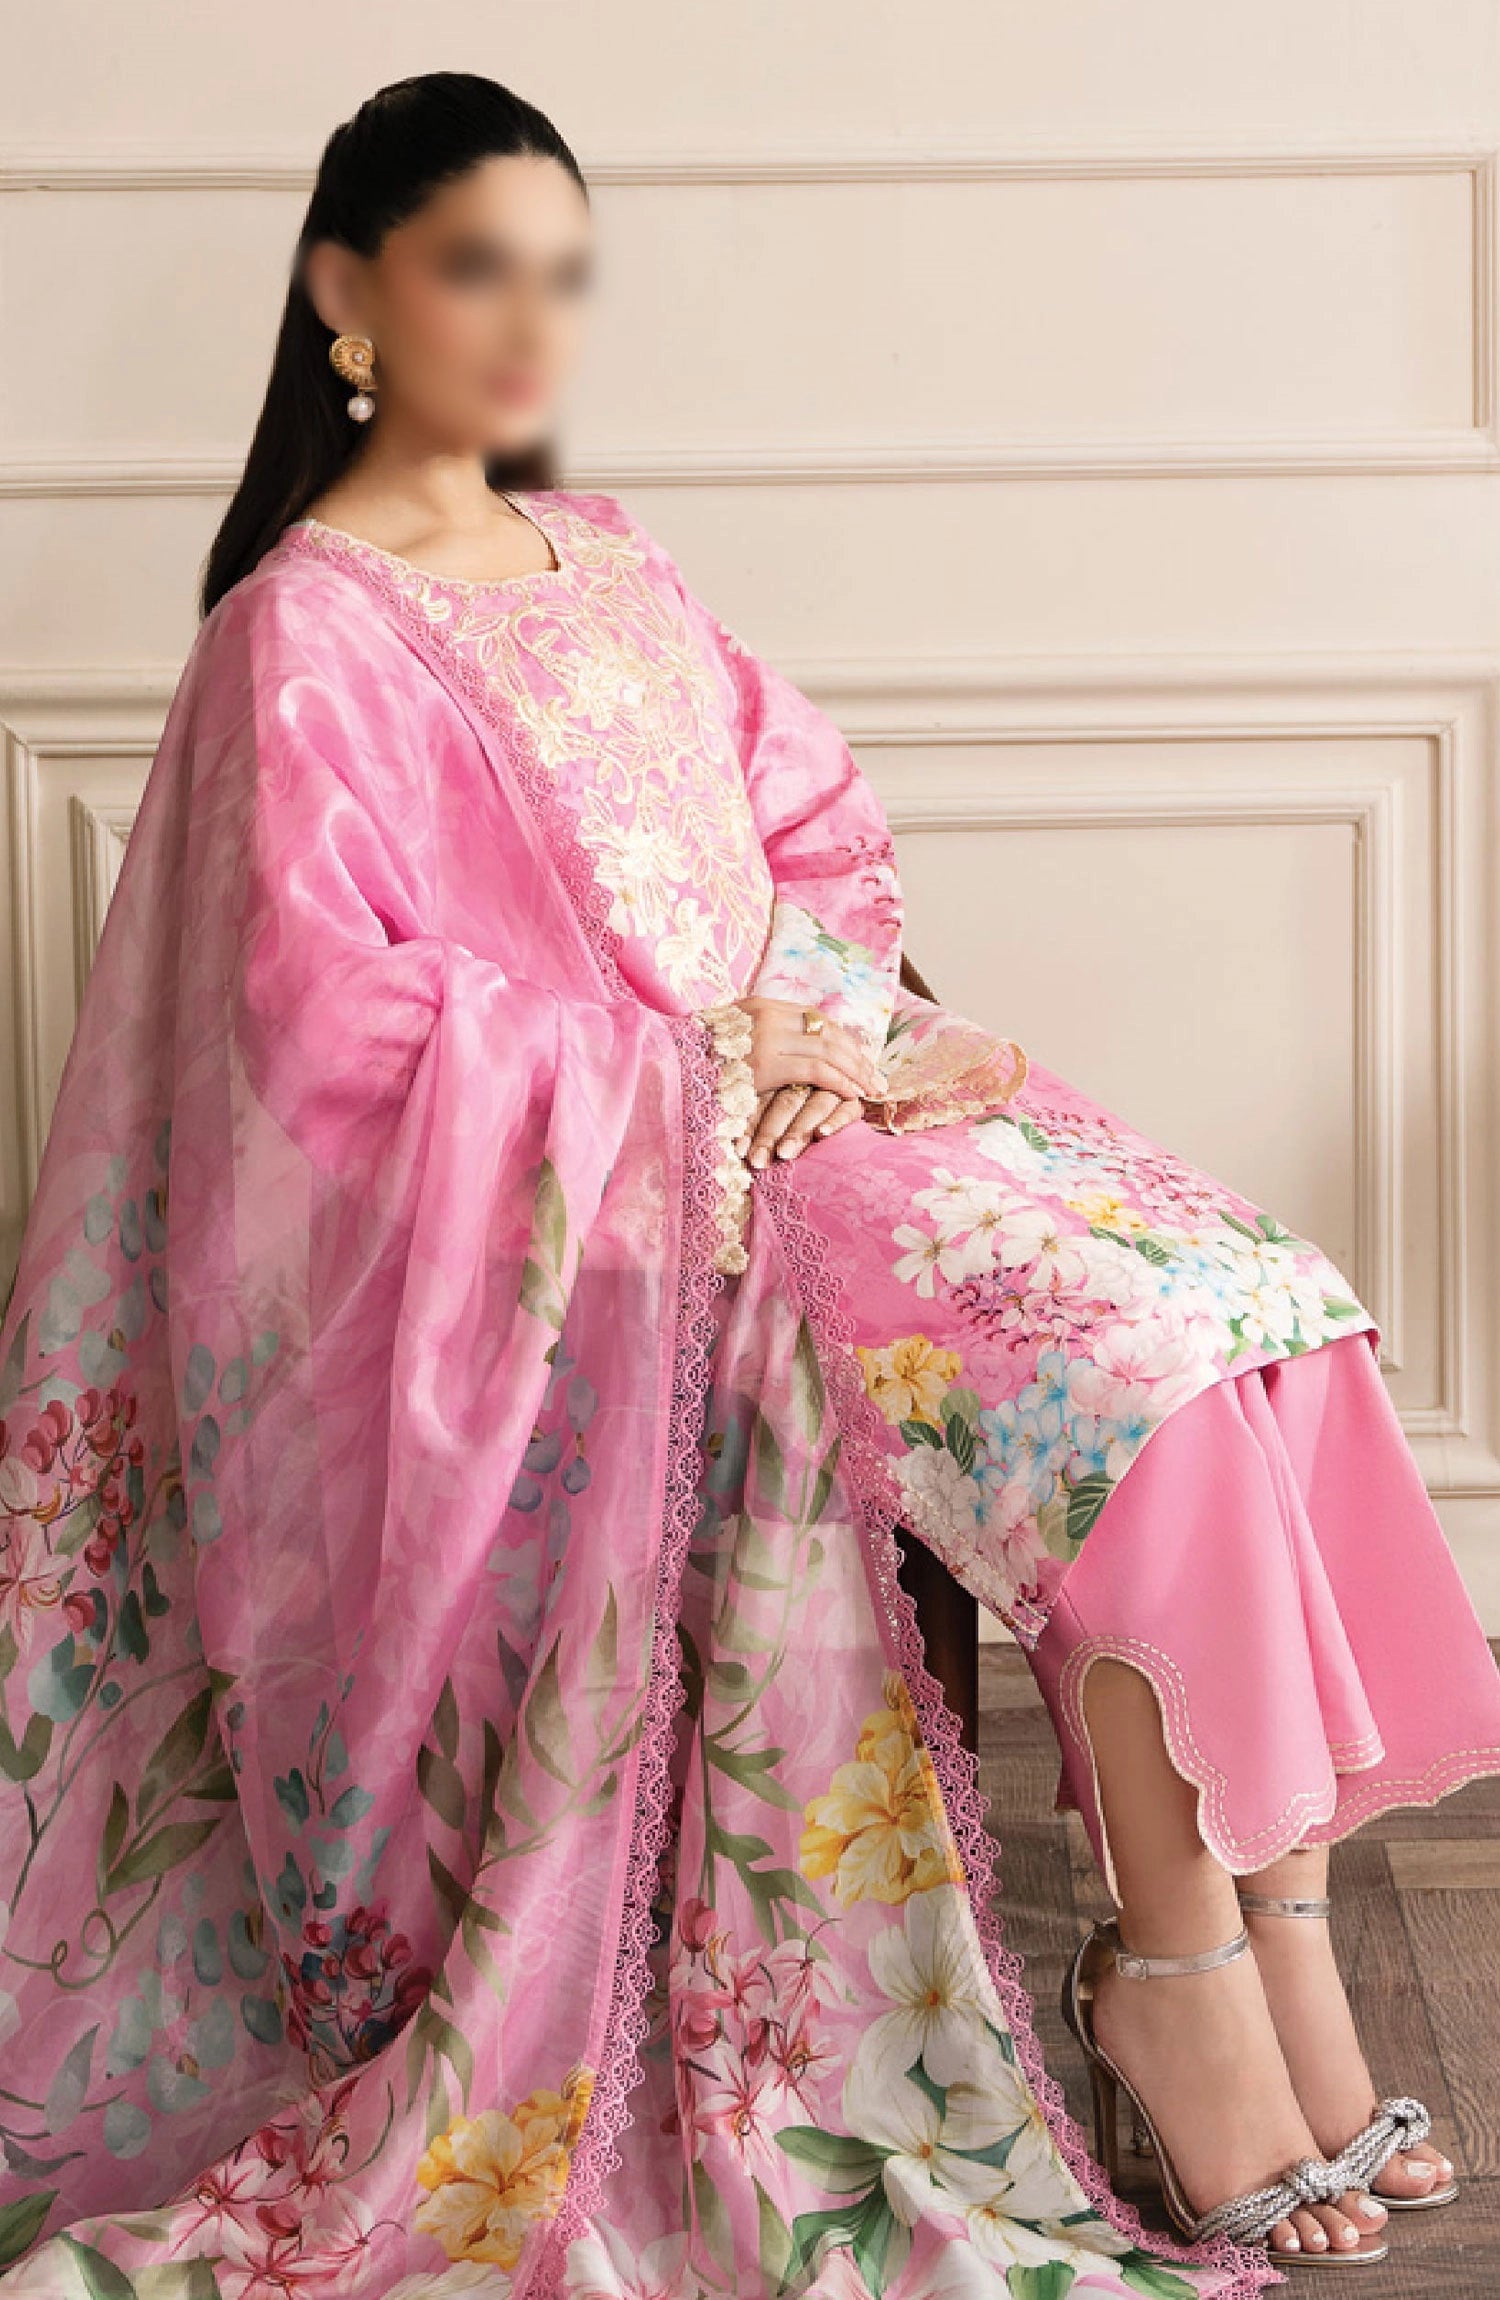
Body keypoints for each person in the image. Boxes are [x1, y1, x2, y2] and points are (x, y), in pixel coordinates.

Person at [0, 69, 1496, 2300]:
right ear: (345, 295)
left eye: (563, 273)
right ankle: (1169, 1985)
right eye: (477, 268)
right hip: (619, 1199)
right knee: (1140, 1385)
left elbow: (808, 825)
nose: (534, 323)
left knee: (1265, 1302)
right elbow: (329, 1033)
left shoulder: (610, 559)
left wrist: (817, 1035)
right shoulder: (299, 640)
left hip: (826, 1102)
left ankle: (1275, 1933)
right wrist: (693, 1078)